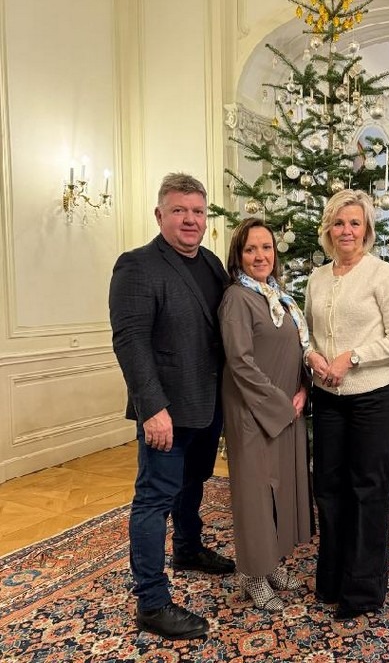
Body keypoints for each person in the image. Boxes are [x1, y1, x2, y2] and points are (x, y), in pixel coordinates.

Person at [109, 173, 235, 641]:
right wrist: (151, 409)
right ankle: (152, 602)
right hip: (165, 411)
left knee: (193, 482)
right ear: (159, 214)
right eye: (179, 210)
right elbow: (130, 341)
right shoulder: (137, 266)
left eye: (197, 211)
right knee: (153, 500)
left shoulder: (212, 263)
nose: (190, 219)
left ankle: (187, 547)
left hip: (207, 406)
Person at [304, 189, 389, 620]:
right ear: (328, 229)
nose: (346, 230)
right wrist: (311, 355)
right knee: (328, 488)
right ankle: (332, 579)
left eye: (355, 222)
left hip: (374, 397)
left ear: (366, 229)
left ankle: (364, 589)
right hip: (328, 398)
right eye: (338, 222)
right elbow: (308, 333)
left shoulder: (381, 274)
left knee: (368, 490)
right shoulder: (317, 277)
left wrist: (353, 356)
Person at [218, 218, 313, 612]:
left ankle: (271, 564)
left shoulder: (279, 297)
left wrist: (303, 389)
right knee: (255, 495)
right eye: (251, 249)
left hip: (288, 409)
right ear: (238, 256)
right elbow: (240, 362)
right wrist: (280, 404)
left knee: (279, 491)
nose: (260, 256)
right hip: (253, 412)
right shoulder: (237, 299)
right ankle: (252, 575)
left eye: (267, 247)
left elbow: (299, 348)